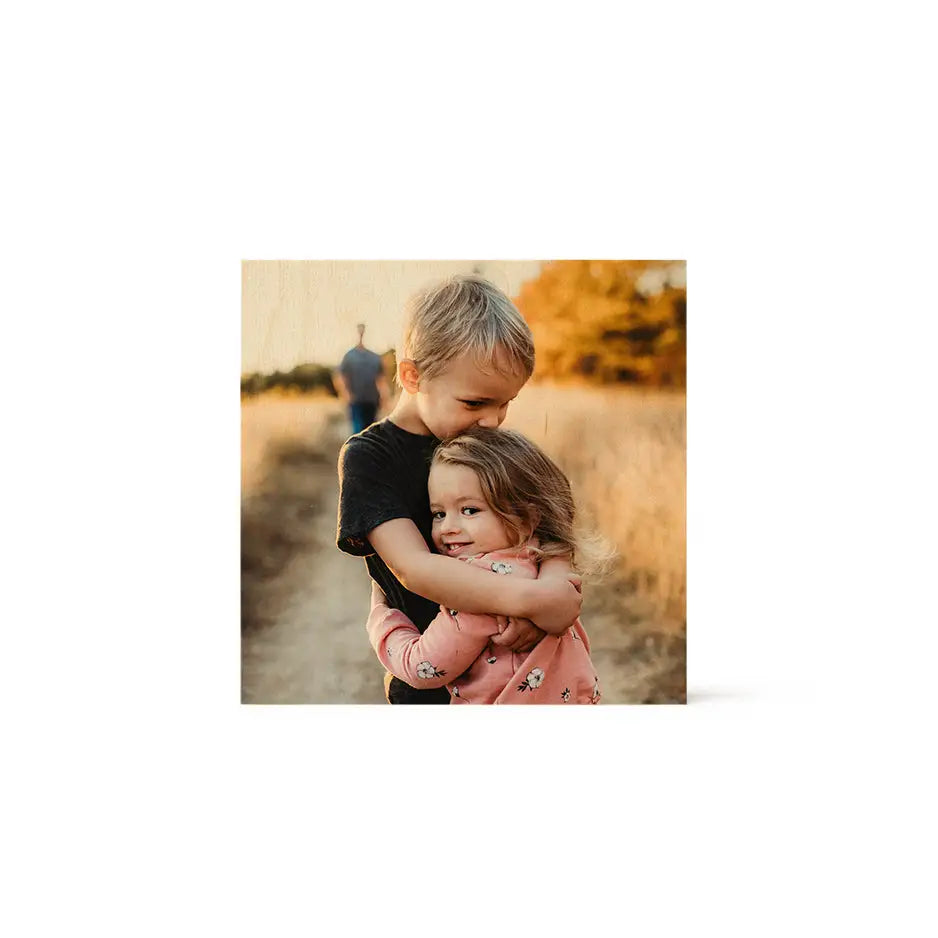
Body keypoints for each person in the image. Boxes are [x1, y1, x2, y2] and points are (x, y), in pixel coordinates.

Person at [336, 274, 582, 704]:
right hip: (433, 688)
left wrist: (553, 592)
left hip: (524, 679)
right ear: (413, 376)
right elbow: (414, 568)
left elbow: (552, 524)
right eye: (475, 403)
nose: (493, 420)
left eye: (505, 403)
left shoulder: (486, 444)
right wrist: (529, 600)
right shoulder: (370, 458)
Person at [366, 427, 603, 704]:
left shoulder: (475, 589)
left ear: (526, 517)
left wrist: (382, 619)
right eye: (438, 514)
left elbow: (421, 667)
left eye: (469, 510)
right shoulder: (543, 561)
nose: (449, 528)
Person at [333, 323, 389, 434]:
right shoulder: (349, 356)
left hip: (372, 400)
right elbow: (340, 376)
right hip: (356, 400)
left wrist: (385, 396)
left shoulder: (375, 357)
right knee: (358, 431)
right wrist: (345, 393)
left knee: (371, 432)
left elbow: (381, 379)